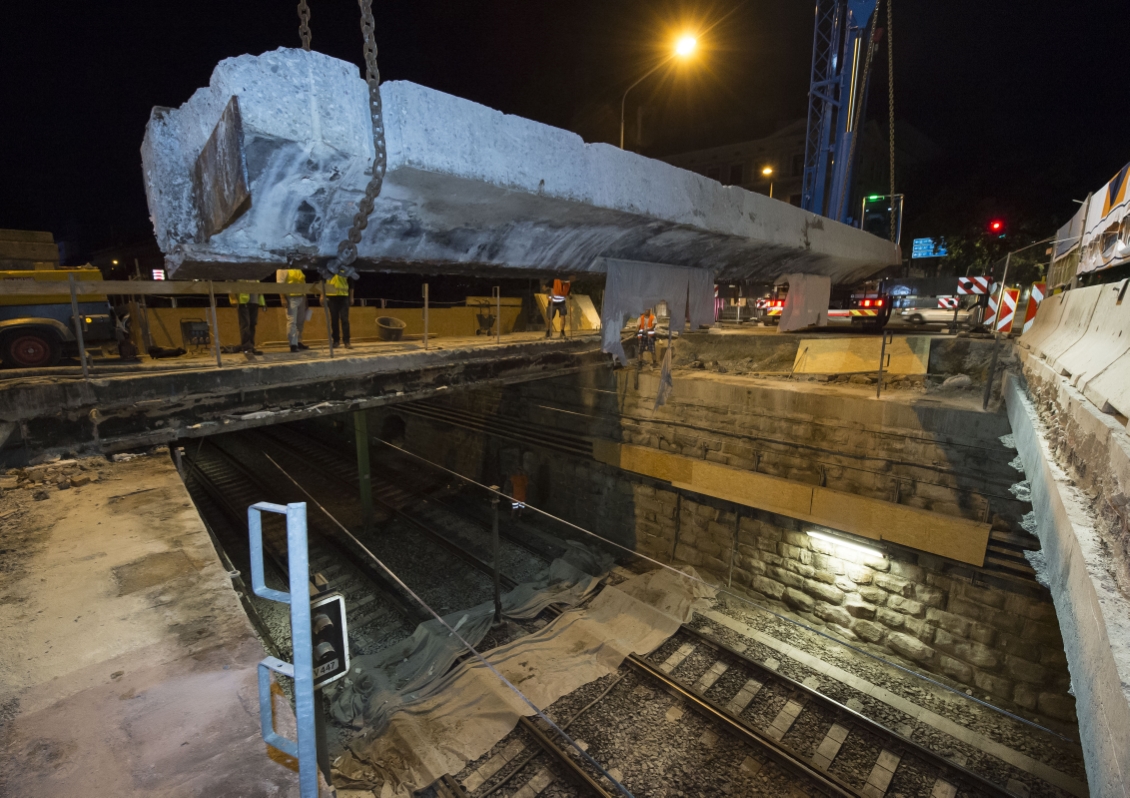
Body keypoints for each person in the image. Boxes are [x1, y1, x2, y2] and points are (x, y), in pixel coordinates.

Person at [276, 268, 309, 352]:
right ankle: (293, 344)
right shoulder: (282, 269)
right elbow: (280, 285)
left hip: (301, 297)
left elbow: (303, 283)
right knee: (292, 321)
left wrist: (306, 299)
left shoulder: (298, 269)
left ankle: (299, 341)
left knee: (300, 321)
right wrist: (282, 298)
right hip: (291, 298)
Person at [230, 291, 266, 355]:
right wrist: (233, 298)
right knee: (245, 324)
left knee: (252, 324)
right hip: (243, 301)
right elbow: (230, 283)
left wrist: (262, 302)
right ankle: (246, 347)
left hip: (255, 301)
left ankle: (251, 347)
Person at [326, 272, 352, 349]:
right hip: (331, 297)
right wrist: (322, 295)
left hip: (344, 297)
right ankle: (336, 341)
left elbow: (351, 283)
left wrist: (351, 297)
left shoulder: (345, 269)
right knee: (334, 320)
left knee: (345, 320)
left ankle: (347, 341)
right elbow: (322, 283)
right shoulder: (328, 268)